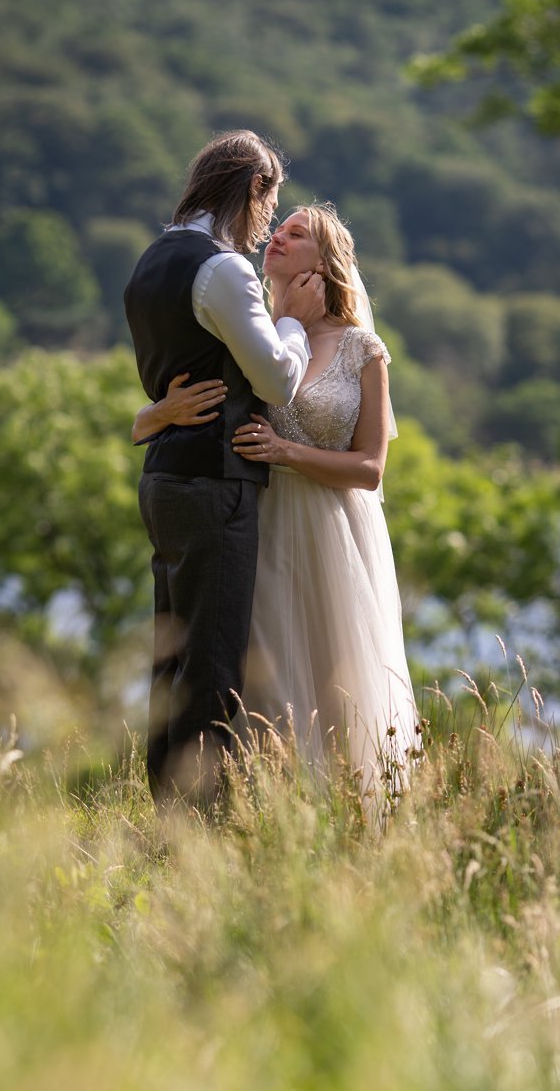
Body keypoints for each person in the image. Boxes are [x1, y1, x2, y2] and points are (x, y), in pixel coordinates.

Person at [140, 203, 418, 801]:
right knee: (259, 673)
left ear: (324, 262)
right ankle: (266, 812)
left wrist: (285, 452)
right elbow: (185, 406)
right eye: (278, 227)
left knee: (332, 673)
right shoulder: (254, 333)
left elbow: (371, 469)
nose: (277, 237)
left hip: (332, 532)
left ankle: (347, 814)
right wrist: (158, 414)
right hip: (258, 523)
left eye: (297, 234)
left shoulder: (362, 350)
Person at [124, 130, 326, 807]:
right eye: (271, 201)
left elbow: (163, 378)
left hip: (164, 478)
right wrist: (293, 322)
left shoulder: (151, 262)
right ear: (253, 189)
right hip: (216, 483)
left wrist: (158, 412)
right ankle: (198, 827)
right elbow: (275, 381)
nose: (270, 219)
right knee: (213, 663)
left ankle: (164, 811)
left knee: (171, 657)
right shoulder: (225, 268)